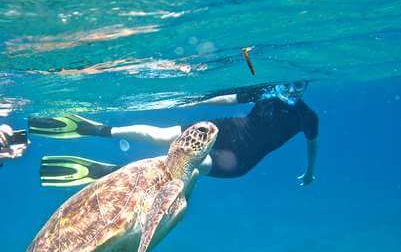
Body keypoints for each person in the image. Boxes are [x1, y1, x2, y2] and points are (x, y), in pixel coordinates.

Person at [29, 80, 318, 187]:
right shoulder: (265, 90)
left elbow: (312, 145)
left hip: (241, 159)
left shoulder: (307, 117)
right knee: (162, 136)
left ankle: (117, 173)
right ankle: (100, 130)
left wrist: (309, 172)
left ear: (306, 87)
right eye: (288, 85)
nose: (292, 91)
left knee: (185, 167)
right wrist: (198, 100)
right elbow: (230, 97)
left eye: (299, 86)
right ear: (280, 83)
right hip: (225, 129)